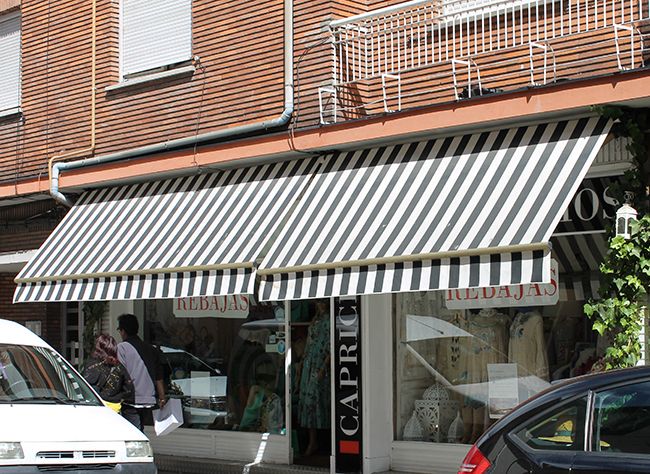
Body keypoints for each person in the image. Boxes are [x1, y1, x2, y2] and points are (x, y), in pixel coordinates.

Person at [116, 313, 166, 431]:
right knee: (140, 429)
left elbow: (120, 373)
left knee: (134, 433)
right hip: (149, 399)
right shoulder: (151, 349)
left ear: (123, 331)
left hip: (131, 399)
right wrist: (162, 397)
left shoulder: (122, 348)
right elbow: (159, 376)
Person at [297, 300, 331, 456]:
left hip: (319, 364)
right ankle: (313, 441)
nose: (320, 304)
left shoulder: (329, 320)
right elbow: (309, 342)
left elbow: (332, 345)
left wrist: (324, 368)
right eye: (318, 302)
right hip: (309, 363)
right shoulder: (316, 319)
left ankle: (321, 441)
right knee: (308, 402)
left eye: (322, 302)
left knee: (318, 402)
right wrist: (302, 362)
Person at [83, 334, 133, 410]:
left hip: (96, 407)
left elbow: (85, 386)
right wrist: (117, 398)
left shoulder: (93, 366)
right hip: (114, 409)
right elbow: (129, 389)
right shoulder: (119, 367)